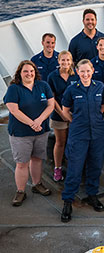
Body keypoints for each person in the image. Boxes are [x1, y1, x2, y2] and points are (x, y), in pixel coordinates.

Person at [60, 59, 104, 223]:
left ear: (92, 70)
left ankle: (92, 194)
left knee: (95, 165)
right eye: (82, 71)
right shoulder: (72, 89)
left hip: (97, 132)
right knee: (75, 167)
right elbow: (65, 110)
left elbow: (103, 104)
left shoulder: (99, 86)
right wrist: (74, 121)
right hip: (79, 133)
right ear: (77, 72)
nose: (85, 74)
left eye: (88, 71)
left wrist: (96, 118)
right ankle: (68, 201)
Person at [4, 60, 54, 206]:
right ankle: (20, 191)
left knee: (37, 159)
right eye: (25, 71)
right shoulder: (14, 88)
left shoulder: (43, 85)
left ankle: (37, 184)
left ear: (35, 72)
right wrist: (32, 123)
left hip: (41, 131)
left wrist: (39, 121)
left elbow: (51, 105)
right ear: (20, 73)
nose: (29, 74)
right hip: (21, 133)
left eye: (31, 71)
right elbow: (13, 110)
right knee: (22, 163)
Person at [47, 51, 79, 182]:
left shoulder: (76, 75)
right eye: (63, 60)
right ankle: (57, 168)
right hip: (59, 114)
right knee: (60, 142)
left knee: (74, 142)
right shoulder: (52, 77)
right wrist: (62, 113)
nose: (65, 63)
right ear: (58, 61)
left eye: (68, 60)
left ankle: (74, 167)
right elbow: (52, 98)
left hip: (75, 114)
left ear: (71, 61)